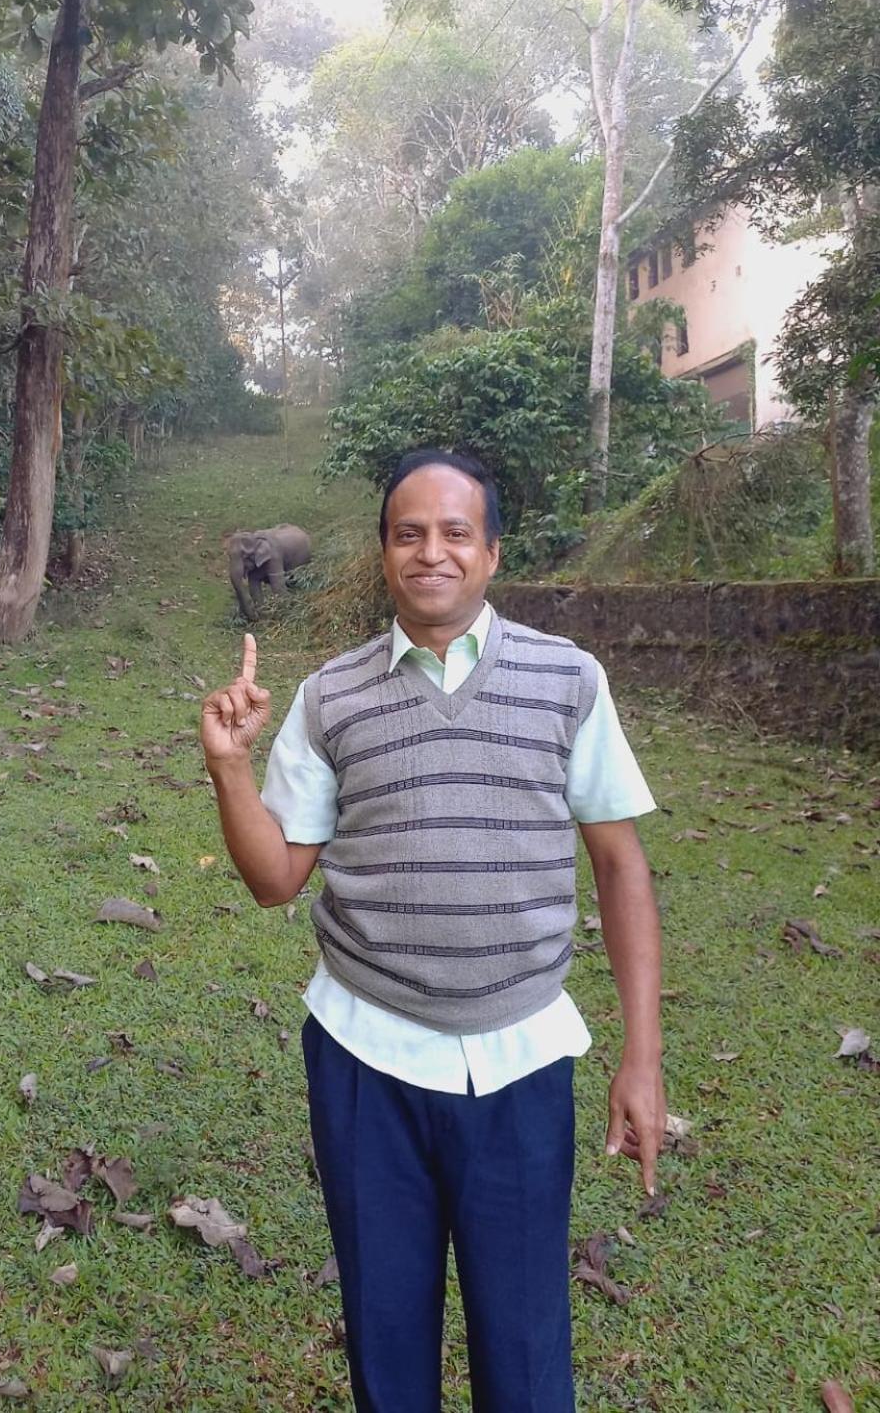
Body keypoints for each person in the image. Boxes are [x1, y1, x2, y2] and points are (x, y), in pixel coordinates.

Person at [199, 448, 665, 1413]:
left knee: (528, 1347)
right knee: (386, 1341)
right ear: (383, 554)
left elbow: (620, 865)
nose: (431, 552)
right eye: (408, 533)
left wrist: (642, 1059)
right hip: (366, 1058)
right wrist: (230, 770)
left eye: (456, 532)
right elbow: (275, 881)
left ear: (492, 553)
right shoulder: (333, 697)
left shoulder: (567, 680)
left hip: (523, 1062)